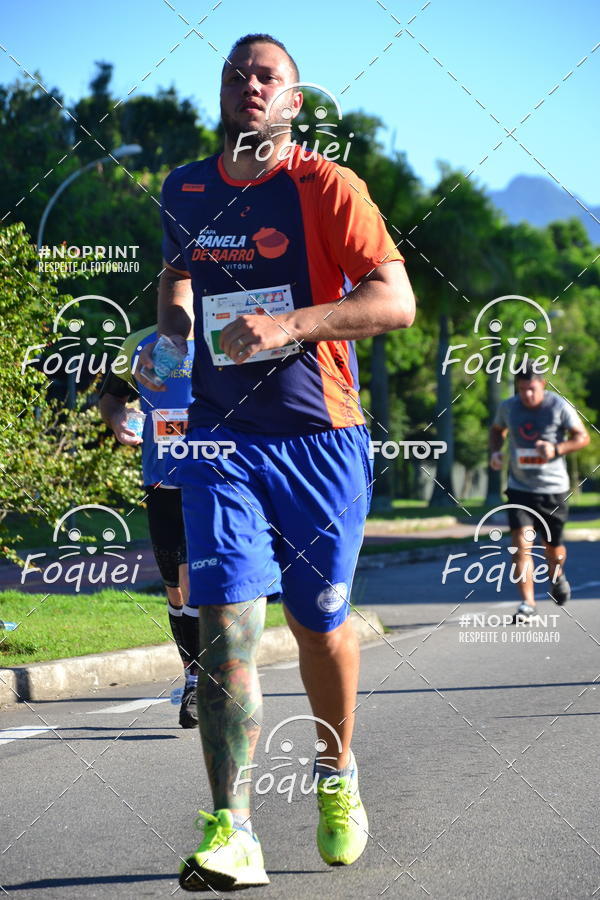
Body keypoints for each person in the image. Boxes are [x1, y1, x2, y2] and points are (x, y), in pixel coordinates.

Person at [139, 33, 416, 891]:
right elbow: (178, 284)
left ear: (294, 103)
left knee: (318, 624)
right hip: (223, 439)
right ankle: (235, 829)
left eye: (269, 77)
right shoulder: (185, 188)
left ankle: (338, 774)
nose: (250, 85)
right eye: (237, 73)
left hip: (320, 440)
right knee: (225, 623)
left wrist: (291, 325)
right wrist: (170, 338)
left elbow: (396, 300)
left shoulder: (325, 187)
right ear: (221, 93)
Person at [99, 324, 200, 728]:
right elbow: (111, 395)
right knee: (174, 587)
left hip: (216, 477)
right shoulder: (141, 342)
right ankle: (194, 672)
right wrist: (118, 416)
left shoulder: (229, 327)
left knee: (191, 575)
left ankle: (200, 681)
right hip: (161, 478)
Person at [490, 366, 589, 622]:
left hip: (553, 489)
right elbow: (496, 430)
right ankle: (528, 603)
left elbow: (582, 437)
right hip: (519, 488)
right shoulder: (509, 407)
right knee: (521, 545)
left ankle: (557, 576)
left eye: (531, 389)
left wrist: (556, 449)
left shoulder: (558, 406)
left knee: (553, 549)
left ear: (542, 384)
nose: (526, 395)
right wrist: (496, 452)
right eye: (521, 390)